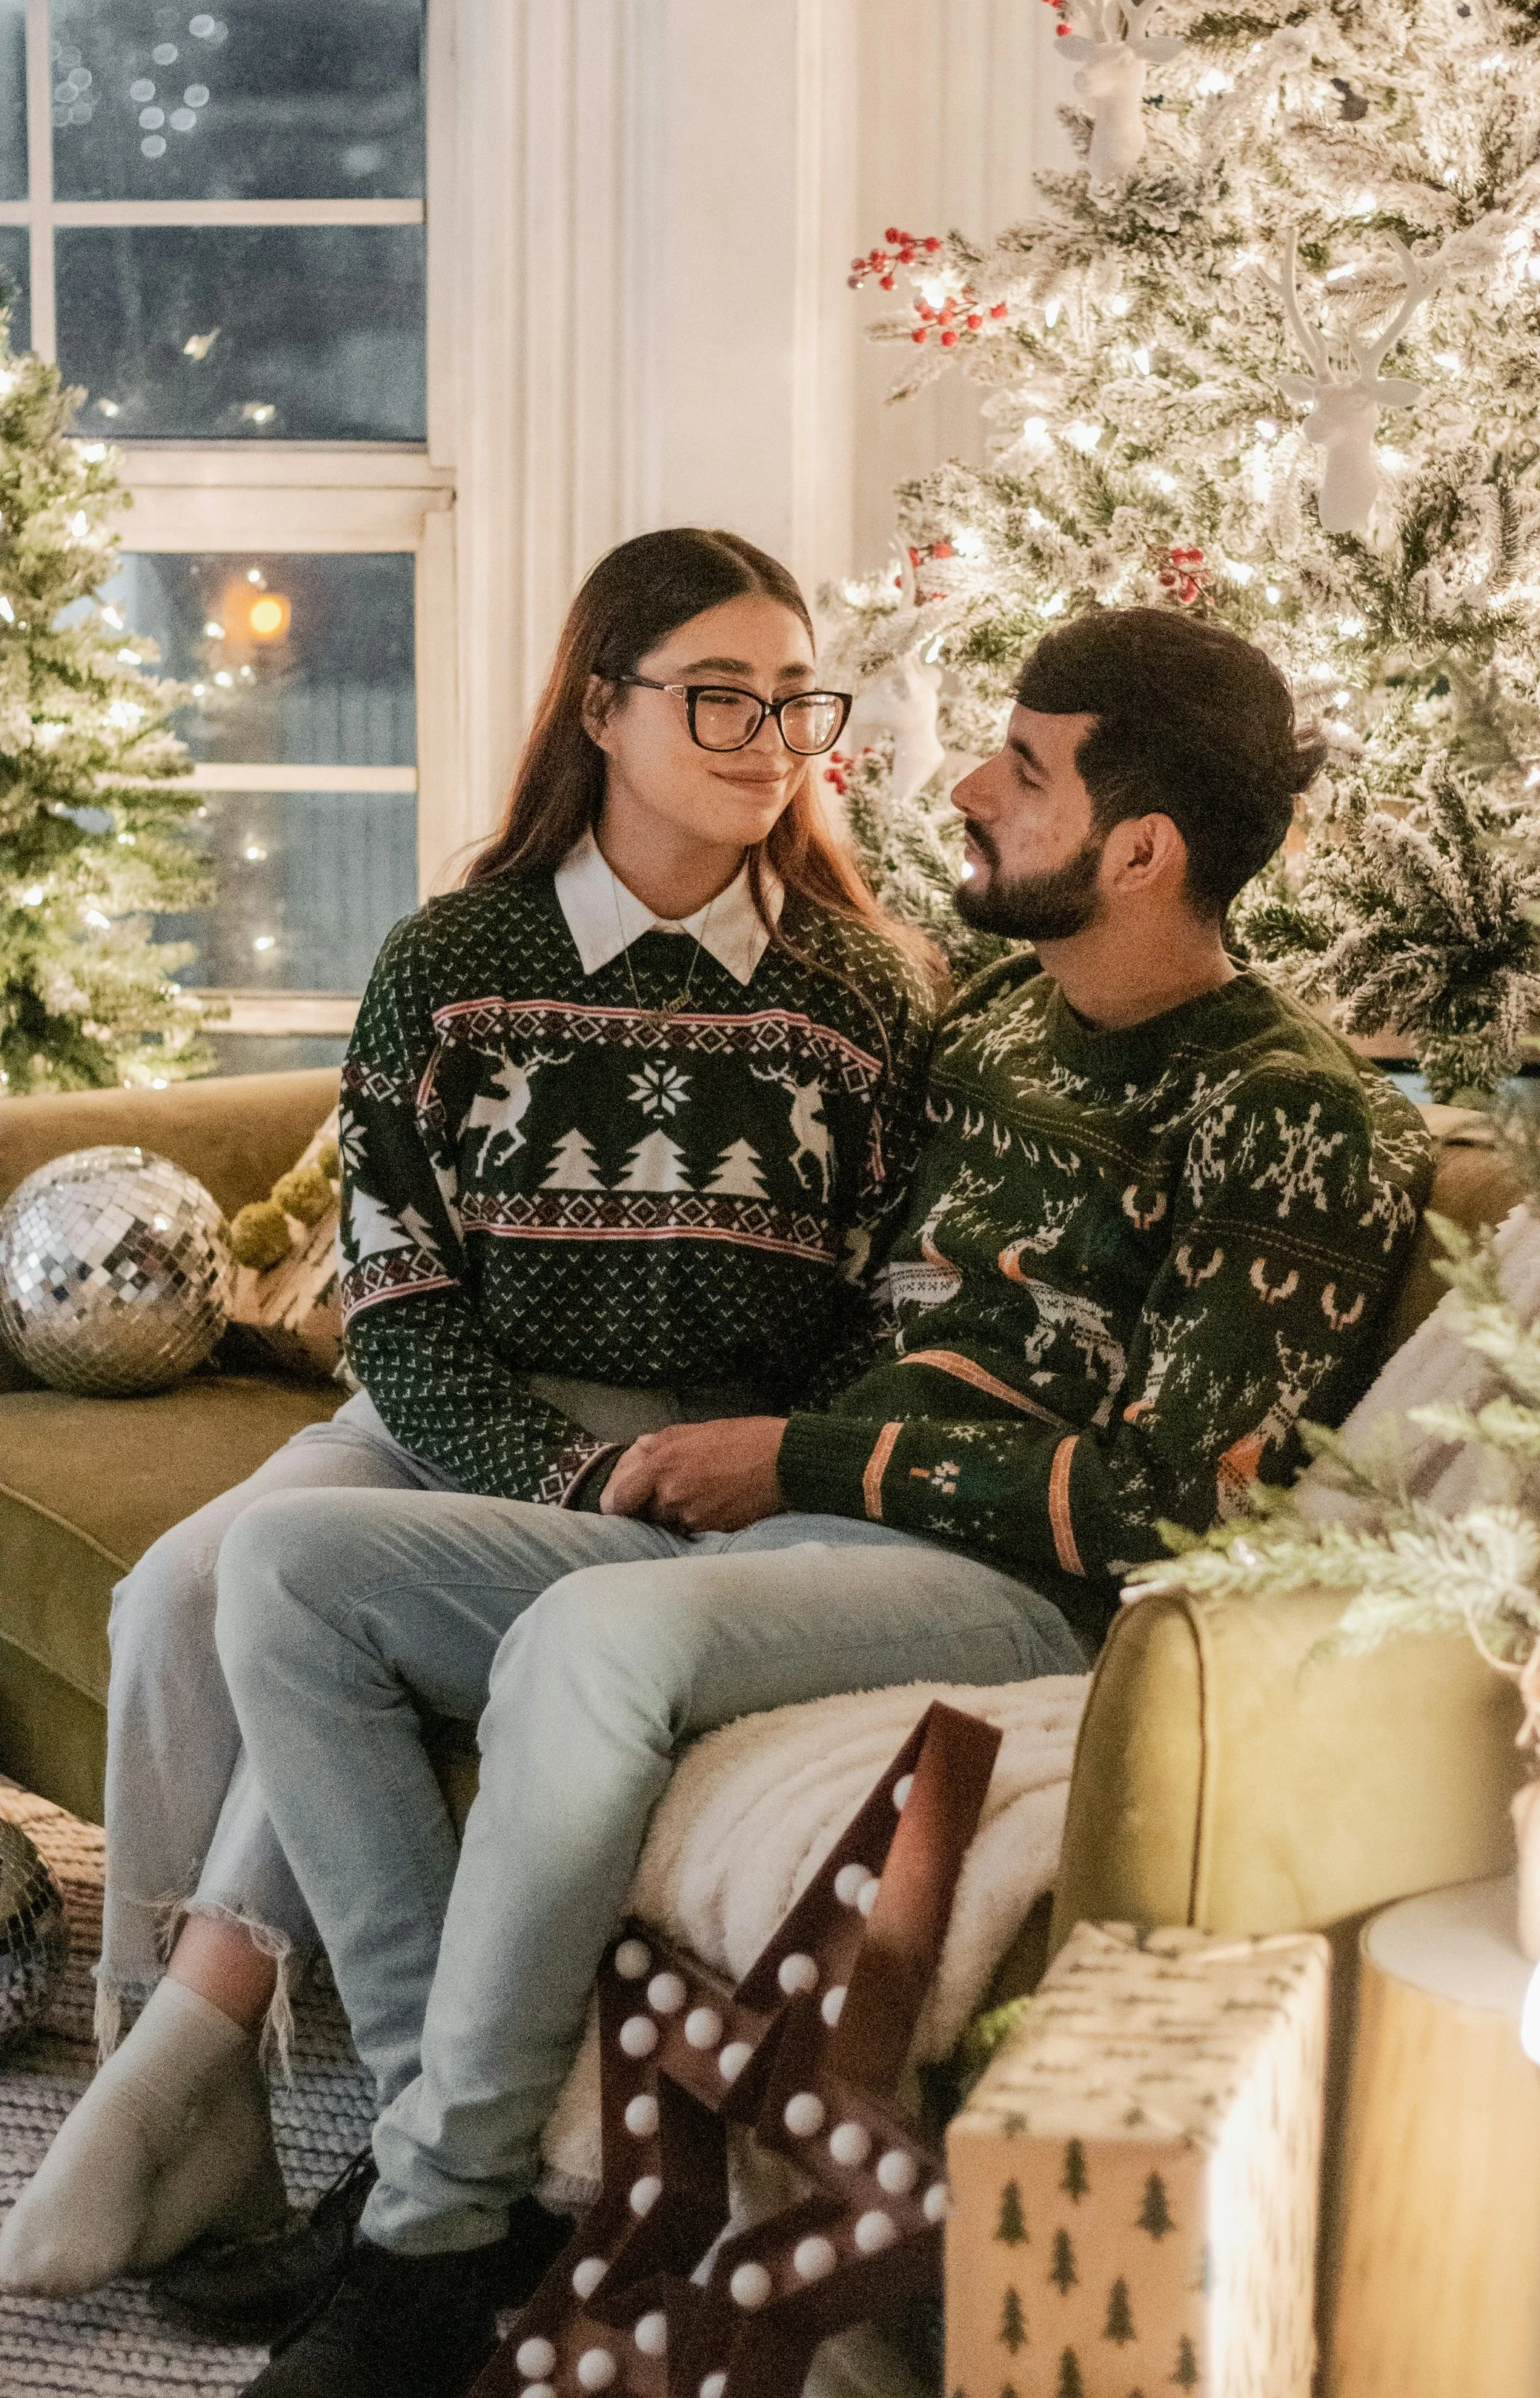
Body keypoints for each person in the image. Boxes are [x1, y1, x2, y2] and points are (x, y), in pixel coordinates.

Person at [174, 605, 1436, 2398]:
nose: (968, 789)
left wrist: (798, 1456)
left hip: (1010, 1588)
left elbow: (1172, 1507)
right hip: (809, 1543)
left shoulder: (1295, 1117)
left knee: (597, 1638)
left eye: (1024, 768)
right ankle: (444, 2162)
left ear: (1139, 848)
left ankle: (428, 2241)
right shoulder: (992, 1011)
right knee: (292, 1570)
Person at [0, 527, 938, 2306]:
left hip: (706, 1464)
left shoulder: (859, 993)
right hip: (456, 1415)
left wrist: (714, 1481)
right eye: (715, 696)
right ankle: (180, 2078)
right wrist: (560, 1473)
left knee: (302, 1592)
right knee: (173, 1600)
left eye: (793, 702)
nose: (766, 739)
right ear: (601, 702)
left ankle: (234, 2097)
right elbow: (403, 1310)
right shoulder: (451, 959)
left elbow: (874, 1322)